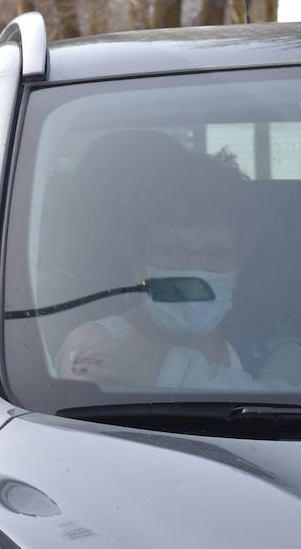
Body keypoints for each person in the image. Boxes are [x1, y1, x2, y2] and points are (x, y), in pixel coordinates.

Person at [56, 146, 258, 389]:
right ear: (138, 262)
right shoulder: (97, 342)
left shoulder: (269, 354)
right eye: (171, 250)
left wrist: (161, 373)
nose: (194, 271)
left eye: (216, 252)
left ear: (239, 267)